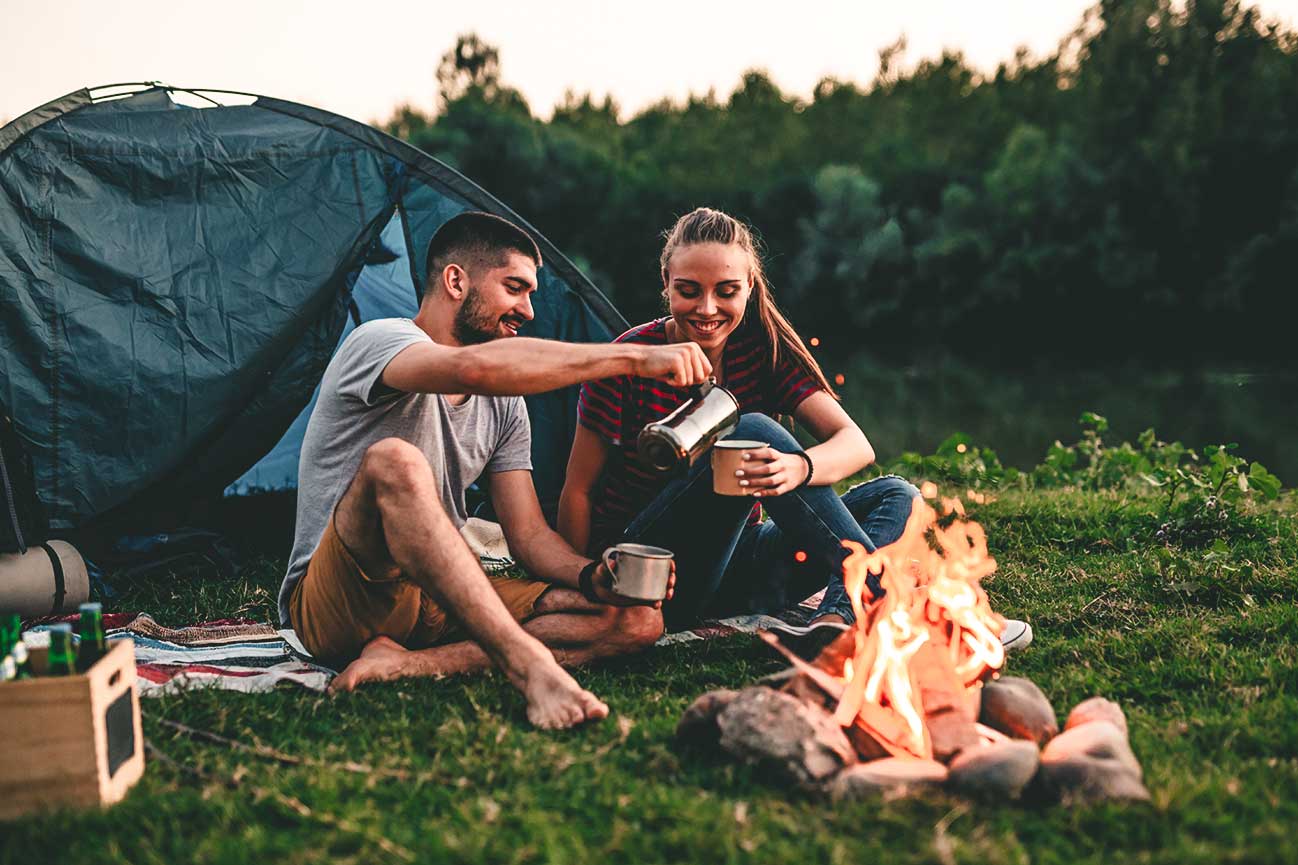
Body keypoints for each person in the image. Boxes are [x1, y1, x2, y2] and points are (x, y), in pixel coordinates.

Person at [278, 211, 714, 729]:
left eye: (531, 294)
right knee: (394, 461)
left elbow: (527, 534)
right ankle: (529, 668)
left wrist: (590, 575)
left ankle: (407, 665)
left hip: (434, 597)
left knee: (637, 621)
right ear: (456, 280)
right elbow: (471, 370)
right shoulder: (379, 341)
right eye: (514, 288)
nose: (527, 309)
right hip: (342, 600)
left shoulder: (505, 406)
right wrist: (634, 359)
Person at [559, 207, 1032, 651]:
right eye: (689, 290)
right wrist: (584, 583)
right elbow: (578, 491)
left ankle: (837, 622)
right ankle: (891, 601)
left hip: (740, 562)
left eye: (726, 291)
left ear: (749, 286)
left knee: (896, 495)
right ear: (666, 283)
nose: (707, 308)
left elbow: (856, 444)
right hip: (657, 575)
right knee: (756, 428)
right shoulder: (630, 358)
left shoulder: (759, 349)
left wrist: (798, 468)